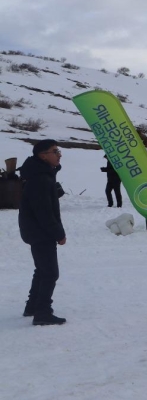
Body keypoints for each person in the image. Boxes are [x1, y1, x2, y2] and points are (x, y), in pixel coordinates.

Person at [19, 139, 67, 325]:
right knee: (50, 273)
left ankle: (32, 306)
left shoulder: (41, 174)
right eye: (55, 151)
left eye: (58, 150)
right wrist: (59, 233)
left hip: (35, 230)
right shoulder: (40, 179)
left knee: (42, 270)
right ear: (43, 156)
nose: (59, 154)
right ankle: (42, 313)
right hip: (40, 231)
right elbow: (44, 212)